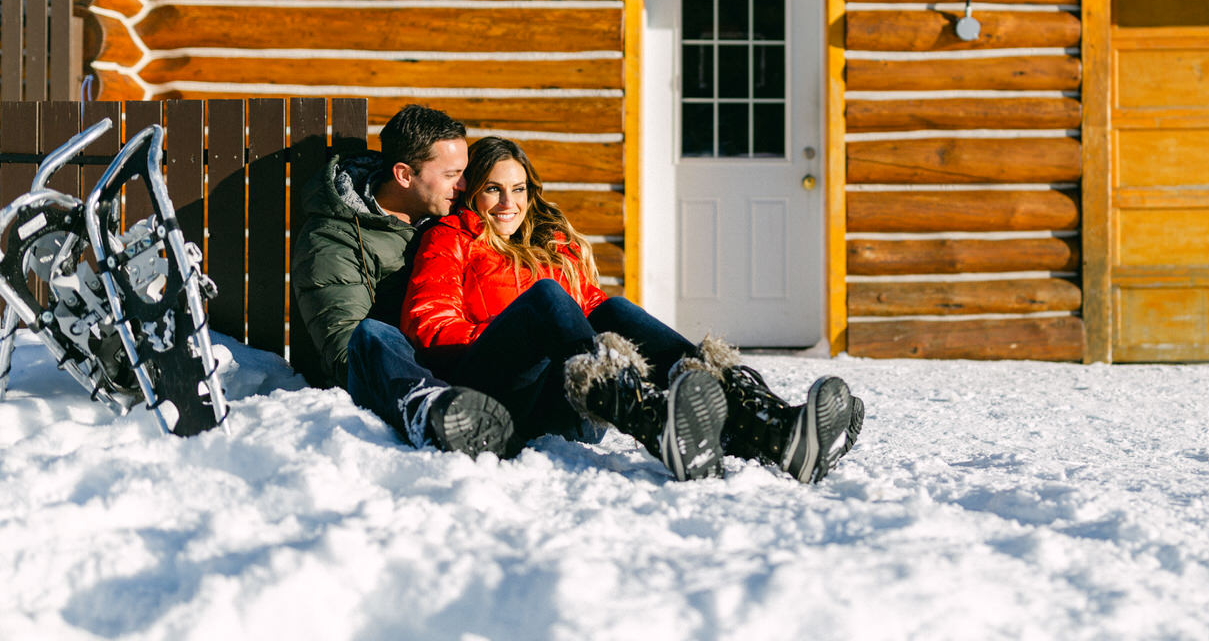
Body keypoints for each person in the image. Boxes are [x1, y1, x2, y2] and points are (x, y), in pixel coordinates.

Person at [399, 136, 865, 483]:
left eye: (519, 189)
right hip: (494, 396)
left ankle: (768, 425)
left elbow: (589, 313)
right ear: (472, 192)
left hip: (568, 403)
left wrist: (575, 336)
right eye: (494, 190)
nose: (509, 203)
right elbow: (431, 329)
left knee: (612, 309)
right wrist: (521, 333)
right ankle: (654, 420)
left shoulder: (550, 241)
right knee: (545, 301)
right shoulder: (452, 237)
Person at [291, 104, 515, 458]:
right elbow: (346, 353)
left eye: (464, 173)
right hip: (401, 374)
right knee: (372, 334)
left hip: (468, 356)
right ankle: (432, 407)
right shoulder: (332, 241)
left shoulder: (453, 218)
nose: (463, 185)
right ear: (404, 175)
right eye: (451, 174)